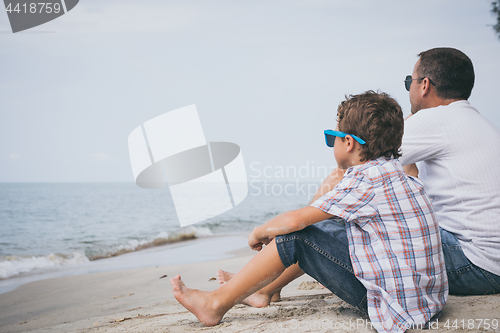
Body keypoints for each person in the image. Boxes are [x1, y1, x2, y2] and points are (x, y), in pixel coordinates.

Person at [171, 91, 448, 333]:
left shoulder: (364, 178)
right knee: (329, 228)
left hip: (396, 307)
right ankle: (262, 289)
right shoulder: (397, 174)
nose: (332, 144)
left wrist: (258, 232)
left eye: (332, 138)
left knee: (298, 236)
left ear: (348, 143)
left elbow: (294, 220)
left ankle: (216, 303)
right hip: (424, 299)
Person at [401, 47, 500, 294]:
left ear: (424, 85)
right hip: (492, 262)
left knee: (364, 229)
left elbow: (356, 160)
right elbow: (408, 172)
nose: (409, 89)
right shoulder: (482, 123)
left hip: (477, 266)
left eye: (408, 82)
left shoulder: (435, 120)